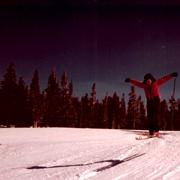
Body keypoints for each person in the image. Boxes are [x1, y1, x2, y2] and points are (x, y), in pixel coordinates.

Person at [125, 72, 178, 137]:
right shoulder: (144, 85)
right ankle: (151, 131)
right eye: (147, 80)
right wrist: (130, 80)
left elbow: (164, 79)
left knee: (155, 115)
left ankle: (157, 130)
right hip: (149, 101)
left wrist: (171, 75)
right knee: (150, 116)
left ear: (151, 79)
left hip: (156, 100)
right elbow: (137, 83)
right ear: (145, 81)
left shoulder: (156, 83)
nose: (148, 81)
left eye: (149, 80)